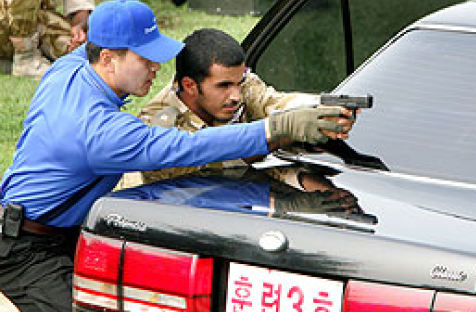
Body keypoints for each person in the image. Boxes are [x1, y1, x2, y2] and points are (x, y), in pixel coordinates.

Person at [0, 1, 352, 311]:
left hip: (54, 229)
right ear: (107, 58)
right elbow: (188, 146)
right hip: (25, 251)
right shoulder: (101, 134)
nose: (157, 67)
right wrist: (278, 129)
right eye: (144, 57)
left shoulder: (70, 69)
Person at [119, 28, 355, 188]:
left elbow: (273, 103)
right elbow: (221, 166)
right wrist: (282, 134)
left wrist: (323, 109)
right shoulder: (159, 124)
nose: (236, 96)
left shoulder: (240, 85)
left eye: (239, 82)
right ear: (189, 86)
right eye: (223, 86)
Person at [0, 0, 93, 77]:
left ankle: (8, 62)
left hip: (36, 20)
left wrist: (78, 28)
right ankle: (25, 59)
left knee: (78, 49)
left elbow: (81, 7)